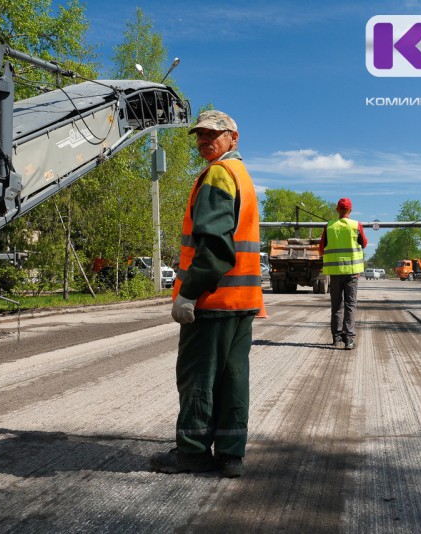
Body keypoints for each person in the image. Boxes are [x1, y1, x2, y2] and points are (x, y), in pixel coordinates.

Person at [150, 110, 263, 477]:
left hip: (212, 301)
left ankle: (193, 454)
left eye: (212, 134)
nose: (203, 141)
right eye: (199, 135)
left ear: (234, 137)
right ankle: (231, 455)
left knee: (199, 378)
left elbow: (215, 245)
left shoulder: (218, 175)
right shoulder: (241, 176)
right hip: (242, 302)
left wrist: (189, 293)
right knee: (233, 380)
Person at [320, 198, 367, 350]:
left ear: (337, 210)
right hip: (352, 273)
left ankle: (336, 337)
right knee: (350, 304)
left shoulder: (329, 227)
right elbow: (364, 243)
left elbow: (321, 248)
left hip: (334, 273)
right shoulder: (356, 225)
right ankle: (349, 340)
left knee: (336, 305)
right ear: (350, 210)